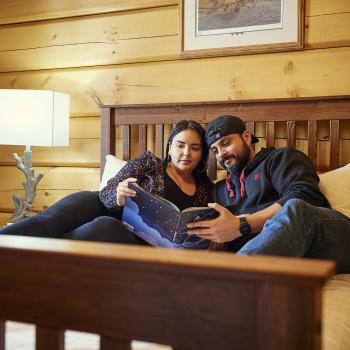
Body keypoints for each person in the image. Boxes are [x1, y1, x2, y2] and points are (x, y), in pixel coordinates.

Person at [0, 120, 213, 246]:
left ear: (202, 152)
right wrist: (119, 195)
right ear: (169, 147)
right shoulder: (149, 162)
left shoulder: (204, 190)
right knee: (49, 220)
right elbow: (107, 191)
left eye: (195, 147)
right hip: (101, 204)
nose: (186, 153)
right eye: (180, 145)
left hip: (133, 238)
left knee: (106, 226)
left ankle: (35, 263)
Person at [187, 115, 350, 273]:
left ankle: (232, 280)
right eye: (215, 150)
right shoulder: (219, 190)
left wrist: (242, 225)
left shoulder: (280, 158)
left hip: (324, 237)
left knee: (295, 208)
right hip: (279, 258)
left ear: (246, 137)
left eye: (226, 143)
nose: (221, 153)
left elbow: (306, 195)